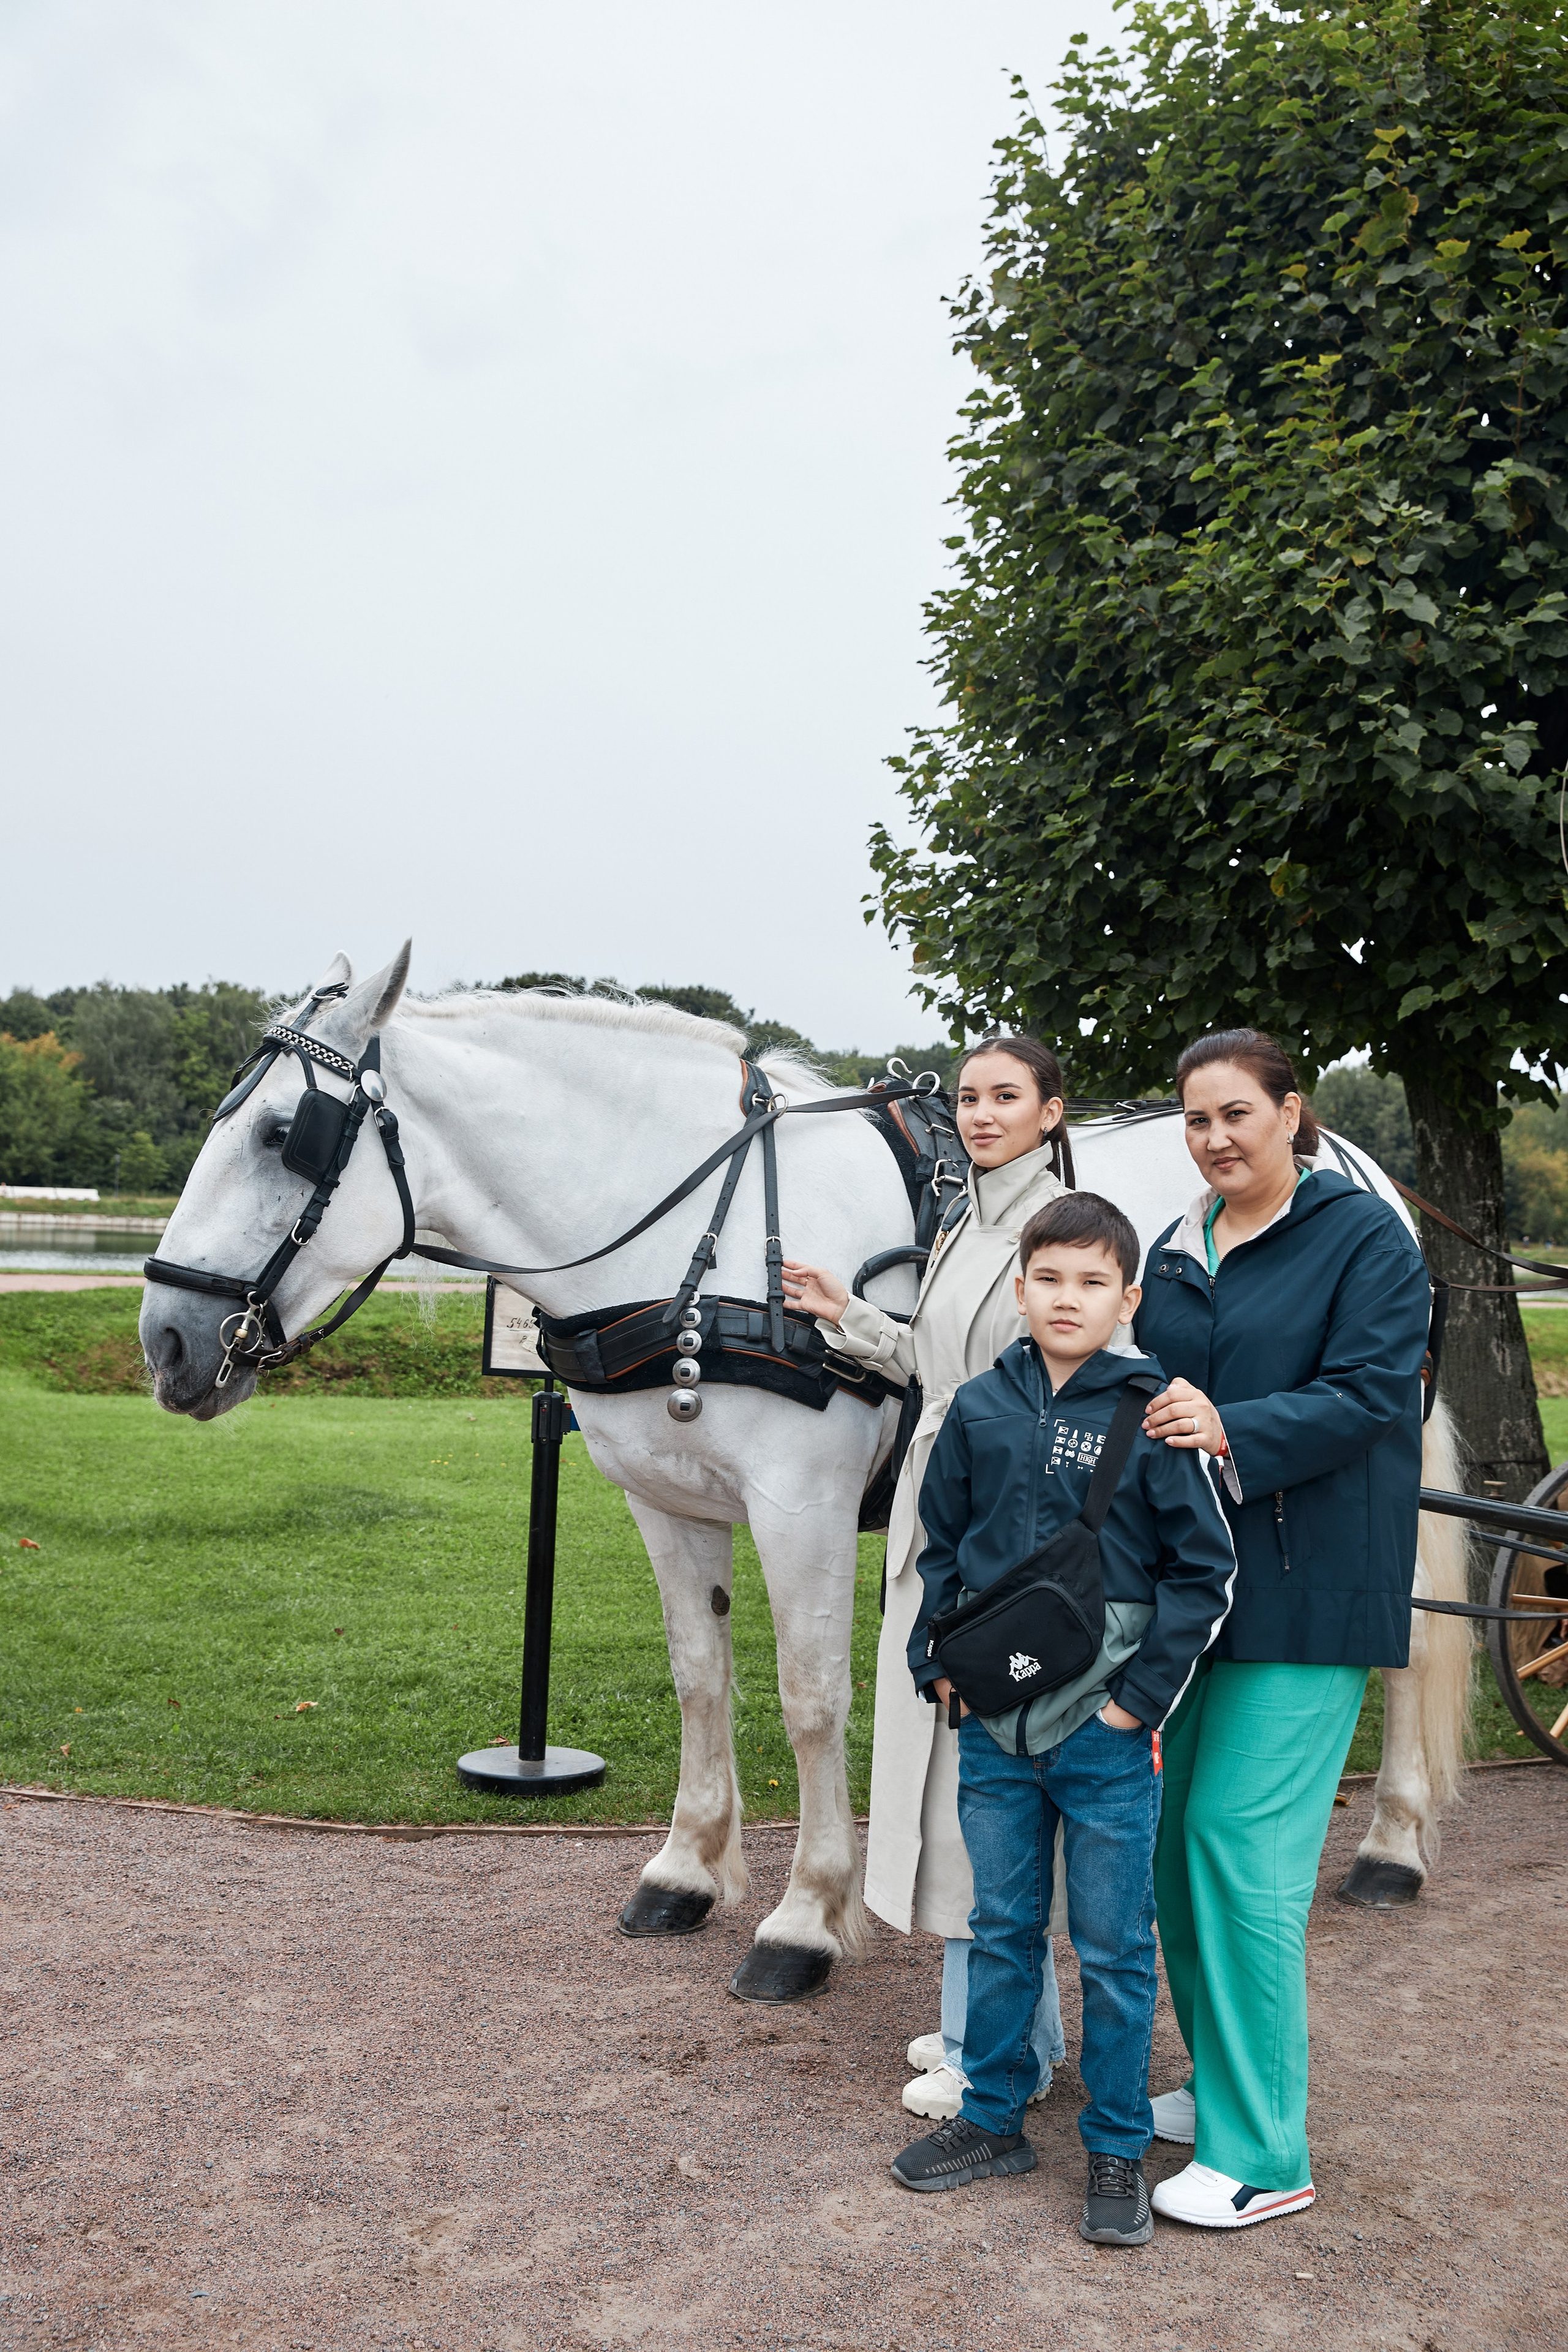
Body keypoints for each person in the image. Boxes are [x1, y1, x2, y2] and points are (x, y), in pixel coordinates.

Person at [888, 1193, 1237, 2246]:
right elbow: (937, 1548)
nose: (1068, 1299)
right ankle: (995, 2118)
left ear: (1127, 1298)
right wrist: (934, 1662)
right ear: (1023, 1287)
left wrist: (1137, 1705)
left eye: (1092, 1282)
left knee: (1116, 1947)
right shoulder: (980, 1409)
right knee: (1002, 1929)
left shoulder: (1153, 1413)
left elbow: (1204, 1572)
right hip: (994, 1727)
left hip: (1104, 1732)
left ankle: (1119, 2148)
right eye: (1050, 1279)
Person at [1135, 1029, 1430, 2230]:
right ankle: (1219, 2084)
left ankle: (1264, 2155)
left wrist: (1223, 1425)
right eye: (1195, 1120)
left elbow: (1371, 1395)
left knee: (1234, 1847)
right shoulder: (1175, 1247)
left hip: (1311, 1590)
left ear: (1288, 1112)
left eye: (1234, 1115)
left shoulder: (1360, 1237)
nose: (1213, 1139)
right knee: (1165, 1844)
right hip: (1188, 1594)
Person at [782, 1038, 1072, 2120]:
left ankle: (994, 2046)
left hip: (993, 1520)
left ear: (1051, 1112)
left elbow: (1048, 1386)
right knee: (943, 1770)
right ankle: (1002, 2022)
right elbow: (937, 1364)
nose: (982, 1113)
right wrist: (843, 1315)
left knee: (974, 1786)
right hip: (937, 1504)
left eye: (1007, 1097)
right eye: (969, 1097)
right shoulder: (963, 1222)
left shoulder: (1053, 1231)